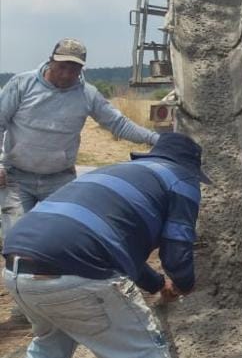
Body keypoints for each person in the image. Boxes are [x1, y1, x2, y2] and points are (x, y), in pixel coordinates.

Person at [0, 133, 217, 358]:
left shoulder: (117, 174)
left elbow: (113, 244)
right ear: (192, 167)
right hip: (79, 272)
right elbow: (177, 252)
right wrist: (183, 284)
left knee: (46, 357)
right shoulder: (182, 180)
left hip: (19, 268)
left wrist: (156, 285)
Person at [0, 39, 160, 241]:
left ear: (81, 68)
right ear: (51, 61)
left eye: (74, 69)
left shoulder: (87, 94)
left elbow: (118, 124)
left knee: (63, 239)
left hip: (59, 179)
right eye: (62, 67)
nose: (66, 74)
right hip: (17, 178)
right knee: (17, 239)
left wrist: (157, 140)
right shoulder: (21, 84)